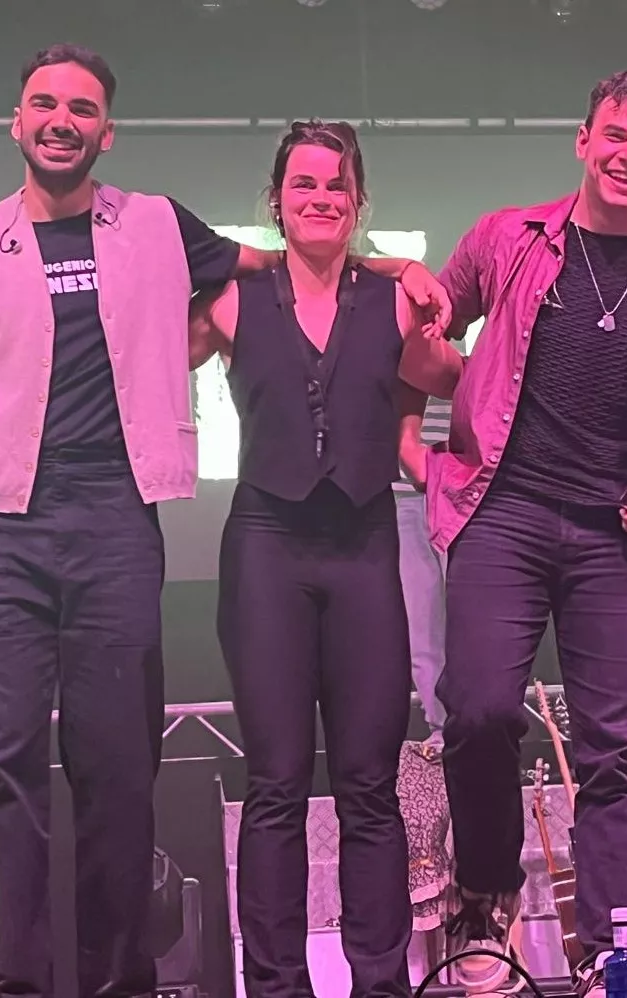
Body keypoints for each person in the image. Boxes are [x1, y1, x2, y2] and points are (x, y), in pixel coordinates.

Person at [0, 45, 447, 998]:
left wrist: (395, 265)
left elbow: (287, 256)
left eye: (82, 107)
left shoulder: (157, 225)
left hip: (112, 521)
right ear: (16, 123)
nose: (61, 119)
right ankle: (13, 983)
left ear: (106, 130)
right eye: (43, 104)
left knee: (117, 769)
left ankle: (116, 983)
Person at [429, 69, 627, 995]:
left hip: (618, 528)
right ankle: (485, 898)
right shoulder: (507, 237)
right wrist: (422, 416)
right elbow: (431, 329)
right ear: (582, 139)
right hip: (505, 512)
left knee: (615, 745)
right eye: (616, 136)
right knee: (480, 710)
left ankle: (614, 938)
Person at [189, 119, 462, 998]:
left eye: (335, 187)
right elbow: (128, 343)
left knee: (368, 786)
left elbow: (456, 377)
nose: (319, 200)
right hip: (266, 547)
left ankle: (379, 983)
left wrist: (415, 290)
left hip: (363, 544)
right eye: (302, 185)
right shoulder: (230, 301)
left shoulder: (393, 301)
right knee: (272, 782)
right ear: (276, 201)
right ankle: (274, 986)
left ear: (357, 203)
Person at [396, 392, 454, 754]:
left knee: (473, 622)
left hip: (458, 493)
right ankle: (440, 728)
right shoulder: (389, 345)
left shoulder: (465, 348)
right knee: (421, 626)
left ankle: (475, 725)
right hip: (400, 497)